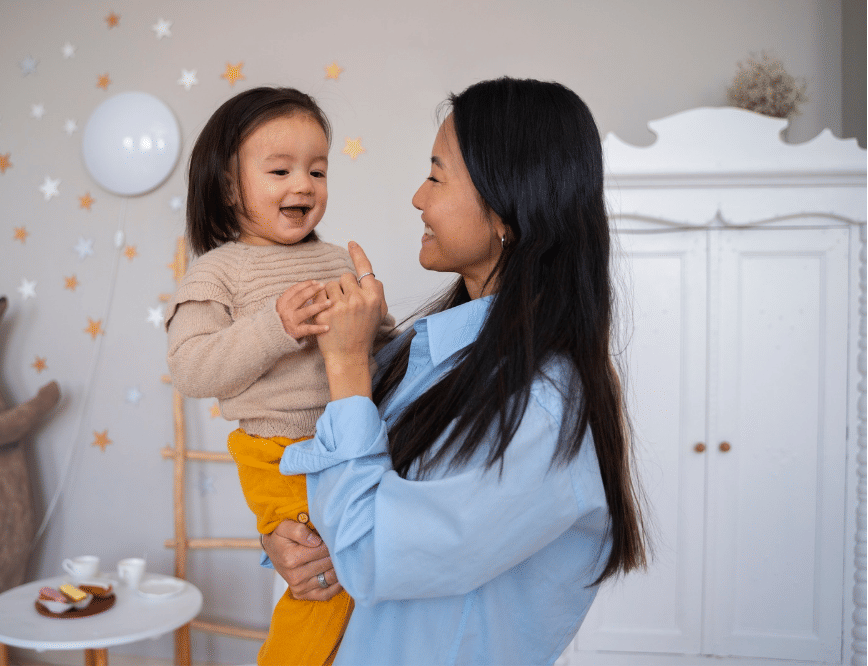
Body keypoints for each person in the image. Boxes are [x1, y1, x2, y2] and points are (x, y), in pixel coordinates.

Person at [261, 77, 649, 665]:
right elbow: (342, 499)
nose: (419, 196)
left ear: (508, 213)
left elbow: (372, 554)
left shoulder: (542, 407)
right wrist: (287, 540)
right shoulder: (420, 348)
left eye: (438, 175)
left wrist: (342, 364)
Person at [165, 86, 392, 666]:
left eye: (317, 170)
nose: (304, 186)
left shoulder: (338, 258)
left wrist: (379, 320)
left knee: (363, 576)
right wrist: (275, 326)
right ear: (228, 184)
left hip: (352, 442)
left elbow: (377, 349)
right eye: (280, 170)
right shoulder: (217, 272)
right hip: (279, 452)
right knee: (321, 581)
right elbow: (191, 368)